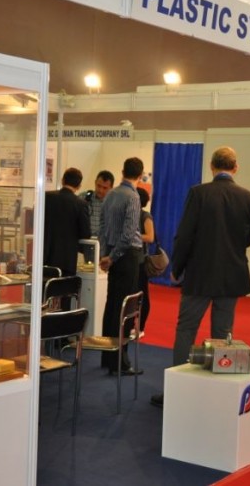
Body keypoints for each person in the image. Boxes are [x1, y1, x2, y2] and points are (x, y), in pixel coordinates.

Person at [151, 146, 250, 407]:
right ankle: (219, 394)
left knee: (186, 329)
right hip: (231, 275)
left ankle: (178, 390)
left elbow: (185, 235)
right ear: (235, 168)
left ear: (212, 166)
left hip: (199, 274)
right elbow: (248, 239)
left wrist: (177, 268)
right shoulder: (249, 198)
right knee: (223, 333)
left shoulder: (198, 193)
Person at [98, 158, 144, 376]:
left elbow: (102, 226)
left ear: (123, 171)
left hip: (112, 254)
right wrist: (114, 257)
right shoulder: (133, 197)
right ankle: (121, 362)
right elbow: (128, 234)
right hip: (127, 257)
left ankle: (107, 357)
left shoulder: (111, 195)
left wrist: (105, 255)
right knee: (125, 309)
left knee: (112, 306)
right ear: (140, 175)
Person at [42, 167, 90, 277]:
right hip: (66, 260)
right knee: (63, 287)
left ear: (63, 180)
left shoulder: (46, 197)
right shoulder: (81, 204)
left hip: (44, 256)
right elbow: (85, 233)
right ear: (79, 186)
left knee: (45, 286)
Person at [80, 170, 114, 262]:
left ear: (111, 188)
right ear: (95, 183)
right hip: (88, 244)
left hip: (106, 246)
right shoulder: (84, 198)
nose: (100, 190)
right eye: (98, 186)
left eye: (105, 188)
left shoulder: (114, 202)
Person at [136, 187, 155, 335]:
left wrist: (132, 235)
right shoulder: (128, 214)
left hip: (141, 261)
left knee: (143, 295)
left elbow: (150, 237)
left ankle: (141, 327)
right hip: (129, 260)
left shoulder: (145, 216)